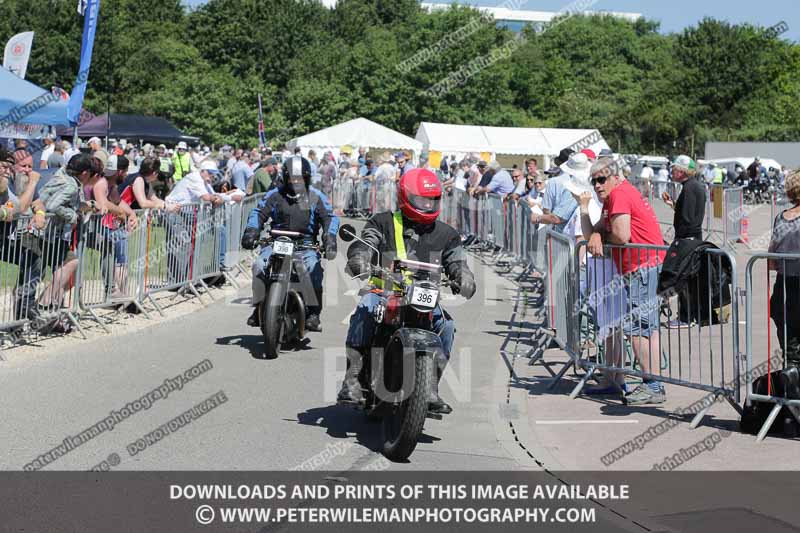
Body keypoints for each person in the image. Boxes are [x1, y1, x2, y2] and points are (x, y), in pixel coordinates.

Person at [339, 168, 477, 413]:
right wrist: (360, 257)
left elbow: (457, 261)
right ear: (405, 197)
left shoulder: (447, 234)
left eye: (431, 200)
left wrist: (463, 277)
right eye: (421, 199)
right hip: (385, 292)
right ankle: (353, 378)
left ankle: (431, 385)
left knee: (446, 326)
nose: (426, 204)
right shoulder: (382, 222)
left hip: (424, 297)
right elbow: (367, 242)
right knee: (364, 307)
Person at [582, 158, 667, 405]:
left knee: (638, 327)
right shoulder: (613, 197)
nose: (597, 185)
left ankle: (652, 385)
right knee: (644, 327)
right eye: (593, 181)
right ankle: (648, 383)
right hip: (640, 266)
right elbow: (593, 233)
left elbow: (621, 234)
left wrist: (602, 236)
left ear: (615, 177)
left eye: (601, 179)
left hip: (642, 266)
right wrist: (591, 221)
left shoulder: (619, 194)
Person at [241, 155, 338, 333]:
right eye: (292, 178)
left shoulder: (316, 196)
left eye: (299, 177)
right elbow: (258, 212)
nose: (295, 181)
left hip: (305, 245)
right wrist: (251, 231)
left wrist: (330, 238)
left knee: (313, 268)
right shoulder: (275, 194)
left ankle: (313, 314)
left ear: (306, 178)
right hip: (276, 242)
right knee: (259, 266)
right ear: (285, 177)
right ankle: (259, 306)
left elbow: (330, 218)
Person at [768, 170, 800, 366]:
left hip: (784, 285)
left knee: (790, 345)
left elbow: (771, 260)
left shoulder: (781, 218)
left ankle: (792, 381)